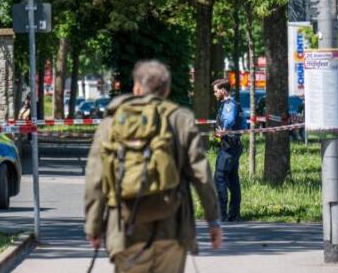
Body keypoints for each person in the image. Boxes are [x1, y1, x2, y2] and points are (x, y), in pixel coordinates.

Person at [85, 60, 223, 273]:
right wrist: (213, 221)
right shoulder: (180, 120)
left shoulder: (111, 123)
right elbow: (202, 175)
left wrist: (93, 226)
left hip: (124, 230)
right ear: (166, 90)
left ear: (136, 87)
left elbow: (95, 179)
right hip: (172, 228)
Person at [213, 78, 245, 222]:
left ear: (223, 90)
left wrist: (224, 130)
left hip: (229, 146)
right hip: (233, 145)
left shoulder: (229, 105)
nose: (215, 94)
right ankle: (234, 214)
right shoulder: (233, 104)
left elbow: (230, 119)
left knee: (219, 177)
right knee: (232, 179)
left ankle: (221, 214)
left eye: (216, 91)